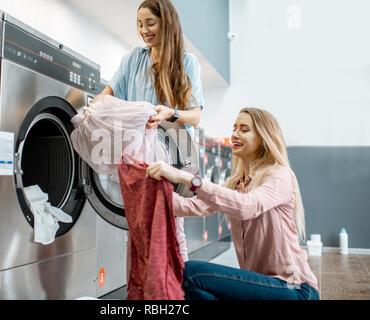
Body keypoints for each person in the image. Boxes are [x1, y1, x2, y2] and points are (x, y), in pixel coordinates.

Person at [146, 107, 320, 300]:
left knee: (190, 272)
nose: (235, 134)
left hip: (295, 289)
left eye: (244, 130)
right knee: (192, 292)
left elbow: (247, 206)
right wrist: (148, 187)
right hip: (260, 286)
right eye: (234, 128)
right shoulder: (237, 184)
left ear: (263, 138)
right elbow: (191, 206)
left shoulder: (278, 175)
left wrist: (184, 177)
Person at [91, 0, 205, 268]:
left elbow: (196, 116)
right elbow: (106, 95)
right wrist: (92, 109)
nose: (144, 30)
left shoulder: (186, 62)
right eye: (140, 24)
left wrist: (169, 113)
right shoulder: (133, 58)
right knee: (138, 231)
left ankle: (177, 292)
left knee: (172, 230)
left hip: (173, 157)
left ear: (166, 22)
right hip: (136, 158)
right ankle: (142, 293)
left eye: (150, 23)